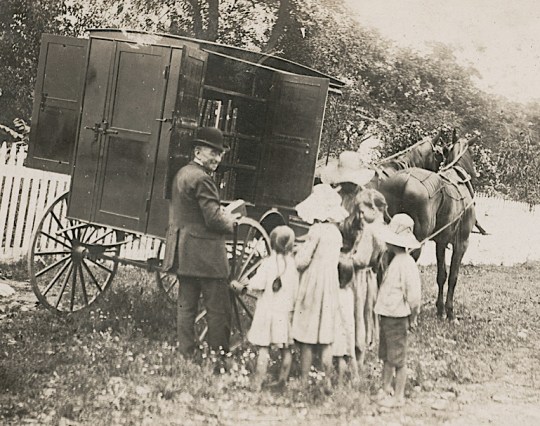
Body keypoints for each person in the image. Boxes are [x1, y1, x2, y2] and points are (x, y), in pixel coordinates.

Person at [162, 127, 239, 359]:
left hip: (184, 252)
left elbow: (193, 211)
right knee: (218, 310)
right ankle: (219, 358)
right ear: (198, 151)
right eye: (212, 153)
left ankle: (186, 354)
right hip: (207, 257)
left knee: (186, 307)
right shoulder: (203, 179)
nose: (217, 158)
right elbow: (213, 219)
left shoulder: (183, 173)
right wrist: (231, 221)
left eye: (220, 154)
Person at [292, 184, 349, 386]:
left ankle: (304, 377)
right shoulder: (336, 234)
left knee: (307, 335)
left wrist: (296, 255)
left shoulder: (315, 231)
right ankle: (326, 380)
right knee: (326, 336)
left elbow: (302, 261)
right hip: (330, 284)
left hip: (313, 284)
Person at [233, 226, 299, 391]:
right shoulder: (293, 265)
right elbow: (297, 290)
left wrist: (245, 284)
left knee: (264, 348)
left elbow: (257, 284)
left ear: (271, 244)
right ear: (291, 245)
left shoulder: (268, 263)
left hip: (267, 312)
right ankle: (282, 381)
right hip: (284, 313)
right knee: (286, 349)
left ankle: (257, 382)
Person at [374, 213, 422, 408]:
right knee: (386, 355)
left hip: (397, 317)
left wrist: (413, 316)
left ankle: (399, 395)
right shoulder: (395, 261)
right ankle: (385, 388)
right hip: (387, 315)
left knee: (399, 359)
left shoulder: (407, 264)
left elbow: (414, 296)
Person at [345, 188, 389, 367]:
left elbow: (361, 259)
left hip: (359, 279)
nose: (360, 217)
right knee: (365, 314)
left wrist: (346, 258)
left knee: (357, 315)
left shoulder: (369, 231)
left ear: (374, 209)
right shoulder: (382, 228)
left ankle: (357, 356)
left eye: (362, 212)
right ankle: (361, 354)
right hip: (371, 277)